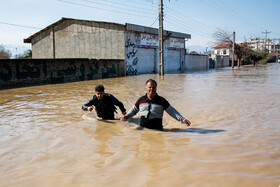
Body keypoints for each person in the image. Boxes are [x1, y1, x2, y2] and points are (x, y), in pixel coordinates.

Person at [120, 79, 191, 130]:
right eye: (150, 87)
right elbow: (134, 110)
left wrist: (183, 119)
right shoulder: (141, 100)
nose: (152, 89)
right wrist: (126, 116)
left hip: (157, 130)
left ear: (156, 88)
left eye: (154, 87)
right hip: (143, 129)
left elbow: (172, 112)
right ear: (146, 88)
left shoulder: (161, 101)